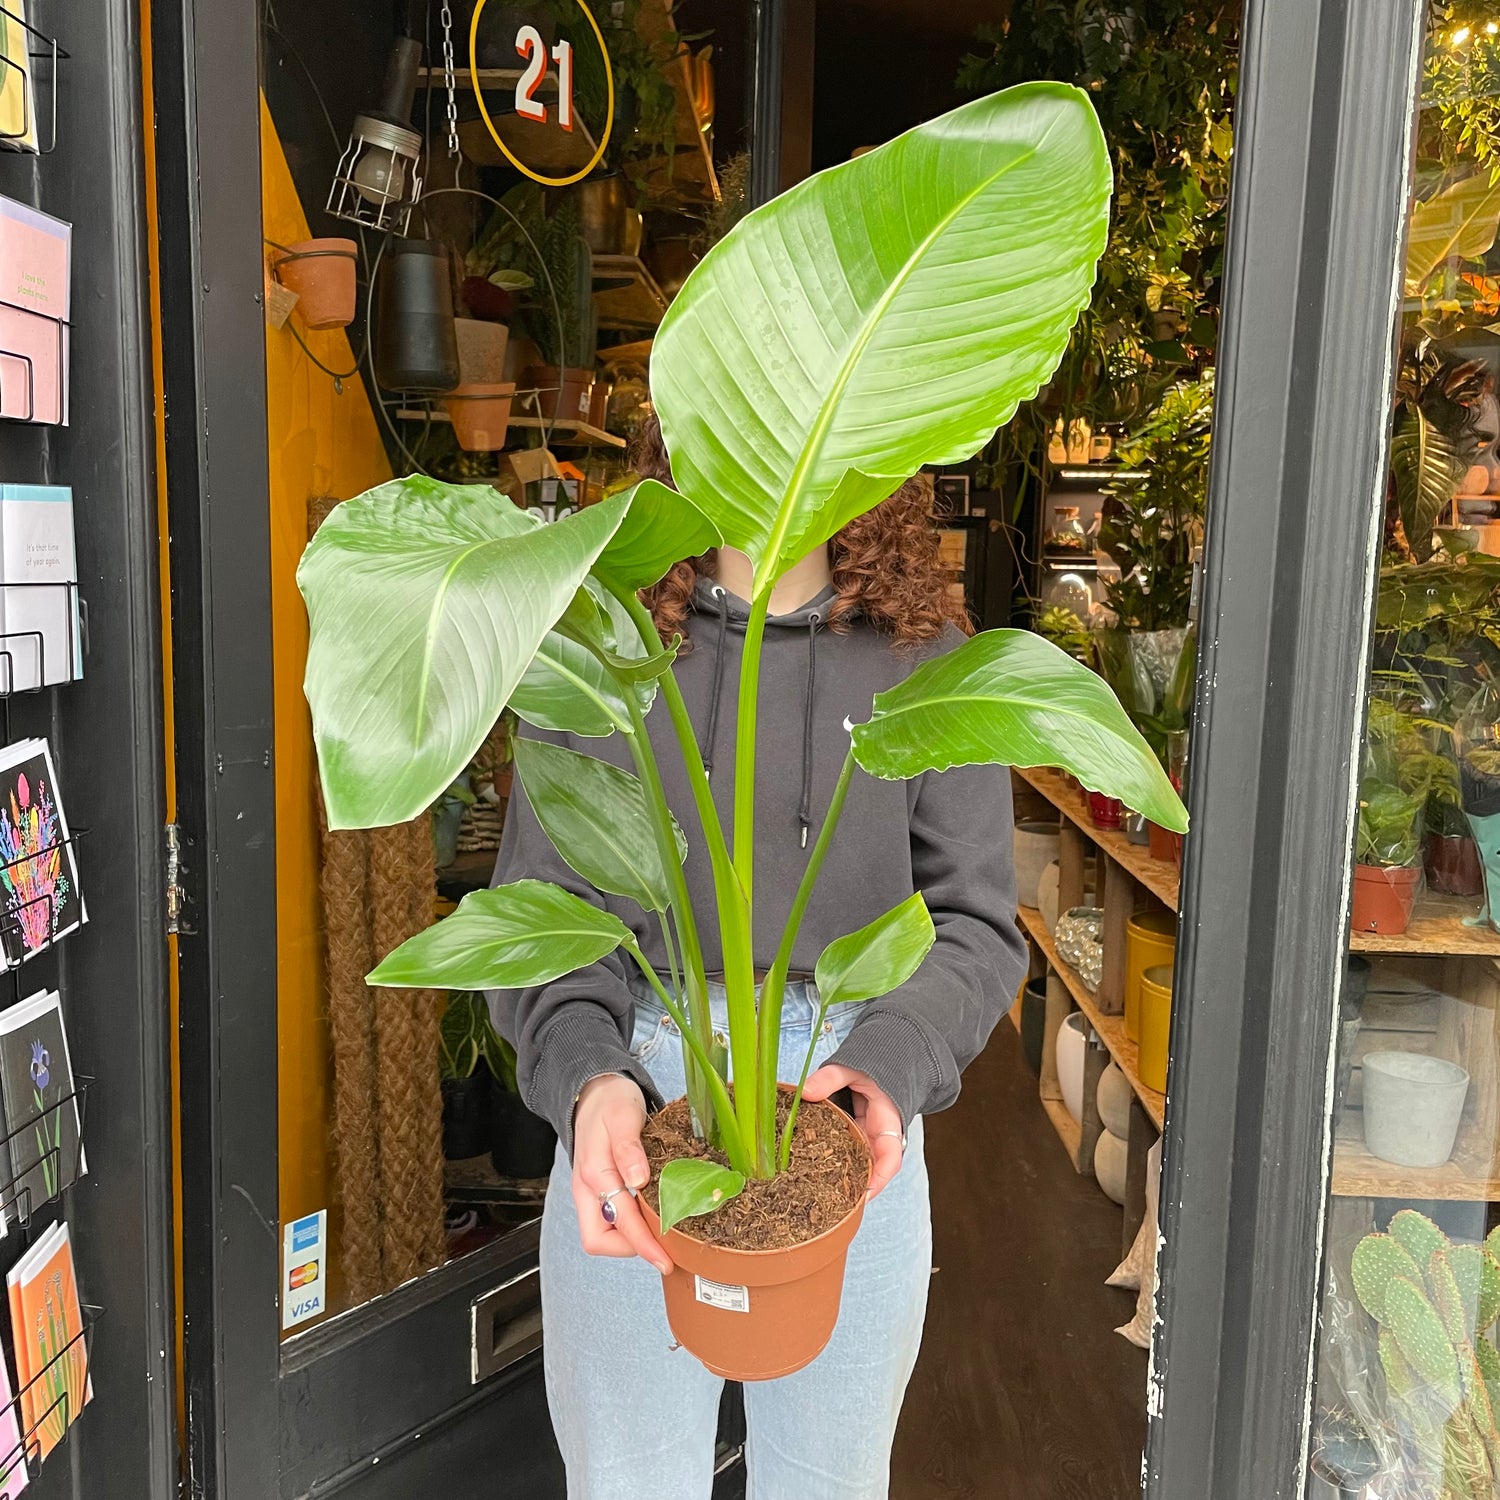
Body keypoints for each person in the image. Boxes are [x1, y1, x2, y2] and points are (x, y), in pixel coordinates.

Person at [489, 414, 1028, 1500]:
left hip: (839, 1098)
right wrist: (590, 1083)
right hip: (643, 1085)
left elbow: (976, 925)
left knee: (827, 1482)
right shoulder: (604, 656)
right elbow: (542, 916)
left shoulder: (931, 664)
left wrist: (887, 1067)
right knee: (629, 1482)